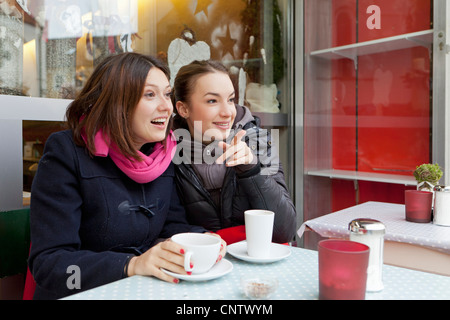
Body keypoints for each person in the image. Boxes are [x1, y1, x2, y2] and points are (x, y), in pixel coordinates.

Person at [28, 53, 225, 300]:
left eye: (167, 93)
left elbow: (171, 224)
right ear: (117, 102)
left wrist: (201, 238)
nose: (166, 106)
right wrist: (130, 265)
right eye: (150, 94)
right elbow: (50, 265)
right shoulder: (67, 153)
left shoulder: (162, 153)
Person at [172, 60, 296, 244]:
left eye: (230, 99)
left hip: (259, 263)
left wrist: (252, 170)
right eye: (212, 101)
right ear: (183, 109)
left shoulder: (258, 141)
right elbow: (169, 227)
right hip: (203, 264)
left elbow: (284, 230)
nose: (227, 112)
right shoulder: (168, 152)